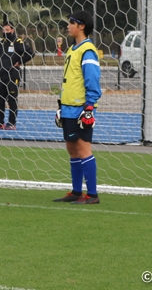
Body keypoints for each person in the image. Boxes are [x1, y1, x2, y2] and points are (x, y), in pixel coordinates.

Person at [53, 10, 102, 204]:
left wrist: (89, 108)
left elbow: (92, 81)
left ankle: (92, 195)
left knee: (83, 149)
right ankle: (76, 191)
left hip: (81, 109)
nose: (68, 26)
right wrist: (61, 105)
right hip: (68, 108)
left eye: (71, 22)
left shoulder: (87, 50)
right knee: (72, 149)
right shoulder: (72, 49)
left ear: (81, 26)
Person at [0, 22, 34, 130]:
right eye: (4, 30)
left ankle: (12, 123)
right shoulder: (2, 42)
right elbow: (0, 56)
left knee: (12, 99)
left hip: (13, 74)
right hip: (2, 74)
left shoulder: (18, 42)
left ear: (12, 30)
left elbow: (31, 53)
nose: (5, 32)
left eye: (7, 30)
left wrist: (20, 61)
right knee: (0, 99)